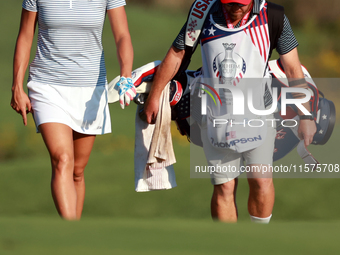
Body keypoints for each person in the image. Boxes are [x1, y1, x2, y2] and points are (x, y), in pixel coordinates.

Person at [144, 0, 317, 223]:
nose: (235, 7)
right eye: (229, 2)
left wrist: (306, 115)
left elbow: (293, 69)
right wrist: (154, 96)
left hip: (259, 114)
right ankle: (229, 244)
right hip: (215, 116)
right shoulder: (202, 12)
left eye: (241, 3)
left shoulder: (274, 16)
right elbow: (177, 54)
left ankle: (258, 240)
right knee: (224, 186)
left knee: (261, 180)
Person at [11, 0, 134, 220]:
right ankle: (68, 233)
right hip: (46, 86)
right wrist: (17, 85)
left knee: (77, 171)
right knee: (63, 159)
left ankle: (75, 236)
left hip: (90, 90)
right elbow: (25, 36)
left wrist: (126, 74)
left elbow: (122, 35)